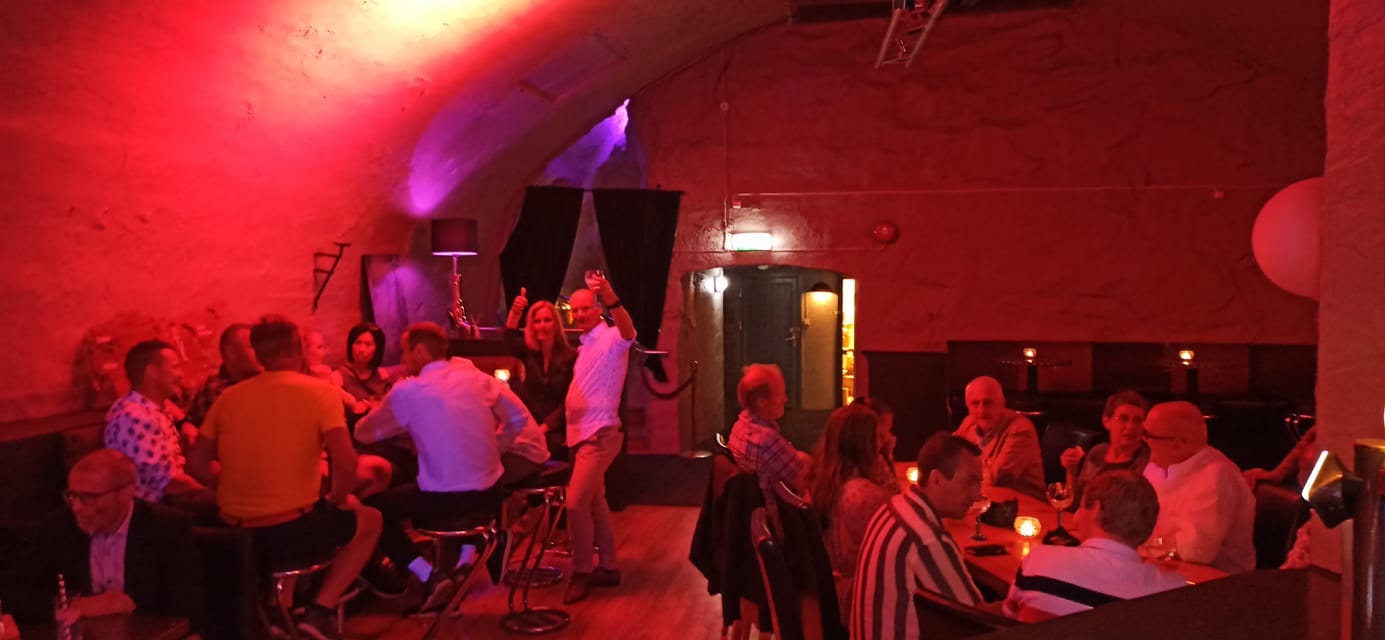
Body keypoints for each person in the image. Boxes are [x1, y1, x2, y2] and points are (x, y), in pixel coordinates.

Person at [187, 317, 382, 640]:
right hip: (289, 536)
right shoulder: (319, 392)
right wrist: (336, 499)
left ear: (259, 354)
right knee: (368, 518)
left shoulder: (228, 398)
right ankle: (321, 610)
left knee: (303, 506)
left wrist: (232, 488)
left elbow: (195, 464)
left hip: (235, 534)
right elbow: (346, 464)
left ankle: (281, 607)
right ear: (298, 350)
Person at [356, 322, 535, 611]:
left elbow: (364, 433)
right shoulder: (477, 379)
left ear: (419, 351)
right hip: (491, 493)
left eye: (405, 352)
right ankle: (481, 547)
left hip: (445, 500)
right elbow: (518, 418)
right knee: (439, 482)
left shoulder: (408, 391)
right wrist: (495, 447)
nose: (403, 359)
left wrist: (393, 417)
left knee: (372, 511)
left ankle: (428, 575)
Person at [42, 450, 206, 635]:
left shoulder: (166, 528)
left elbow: (188, 609)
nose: (76, 508)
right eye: (72, 496)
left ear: (126, 493)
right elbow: (24, 597)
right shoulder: (58, 526)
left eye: (89, 498)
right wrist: (79, 605)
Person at [852, 433, 985, 640]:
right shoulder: (926, 540)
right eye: (970, 481)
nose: (976, 495)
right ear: (936, 479)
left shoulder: (892, 507)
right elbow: (976, 620)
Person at [1002, 471, 1186, 622]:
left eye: (1081, 506)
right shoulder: (1172, 592)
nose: (1076, 517)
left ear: (1096, 510)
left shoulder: (1040, 560)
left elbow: (1010, 614)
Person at [561, 271, 636, 605]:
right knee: (594, 501)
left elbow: (629, 331)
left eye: (585, 309)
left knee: (575, 502)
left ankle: (582, 571)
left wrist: (609, 294)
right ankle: (608, 566)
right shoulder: (585, 346)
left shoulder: (611, 338)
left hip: (600, 433)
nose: (579, 315)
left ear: (597, 309)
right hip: (581, 434)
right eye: (574, 310)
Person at [104, 340, 217, 519]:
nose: (181, 375)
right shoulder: (136, 418)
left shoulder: (150, 406)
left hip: (173, 498)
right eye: (175, 367)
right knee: (245, 507)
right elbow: (170, 483)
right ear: (153, 372)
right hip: (156, 511)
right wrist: (221, 494)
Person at [1141, 401, 1256, 574]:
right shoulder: (1155, 468)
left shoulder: (1216, 476)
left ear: (1177, 445)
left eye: (1148, 435)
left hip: (1219, 582)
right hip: (1164, 571)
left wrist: (1147, 544)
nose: (1142, 440)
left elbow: (1198, 552)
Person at [807, 404, 898, 620]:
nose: (882, 443)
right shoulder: (867, 496)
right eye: (877, 437)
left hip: (829, 596)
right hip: (859, 604)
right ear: (864, 444)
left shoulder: (821, 483)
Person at [504, 288, 578, 459]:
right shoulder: (530, 352)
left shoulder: (571, 356)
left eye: (547, 320)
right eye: (537, 321)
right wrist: (515, 313)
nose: (542, 325)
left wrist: (544, 428)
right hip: (530, 424)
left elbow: (568, 401)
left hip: (556, 430)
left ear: (556, 324)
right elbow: (509, 340)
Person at [953, 376, 1045, 498]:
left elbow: (994, 478)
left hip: (1024, 504)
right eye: (975, 403)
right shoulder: (968, 423)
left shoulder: (1020, 429)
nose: (981, 410)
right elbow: (947, 456)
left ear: (1002, 403)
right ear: (967, 406)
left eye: (988, 402)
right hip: (983, 500)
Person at [728, 363, 811, 493]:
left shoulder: (740, 424)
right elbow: (804, 482)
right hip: (772, 503)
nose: (786, 399)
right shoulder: (765, 439)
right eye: (779, 394)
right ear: (762, 402)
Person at [1059, 390, 1151, 507]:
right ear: (1107, 422)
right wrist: (1071, 470)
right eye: (1123, 418)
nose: (1130, 426)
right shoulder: (1097, 452)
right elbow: (1076, 503)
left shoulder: (1146, 461)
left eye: (1138, 420)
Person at [184, 323, 261, 427]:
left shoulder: (264, 382)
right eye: (253, 347)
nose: (261, 352)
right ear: (231, 352)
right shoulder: (216, 392)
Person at [337, 322, 393, 413]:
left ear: (377, 349)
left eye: (368, 344)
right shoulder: (339, 376)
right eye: (358, 343)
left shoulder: (382, 375)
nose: (361, 349)